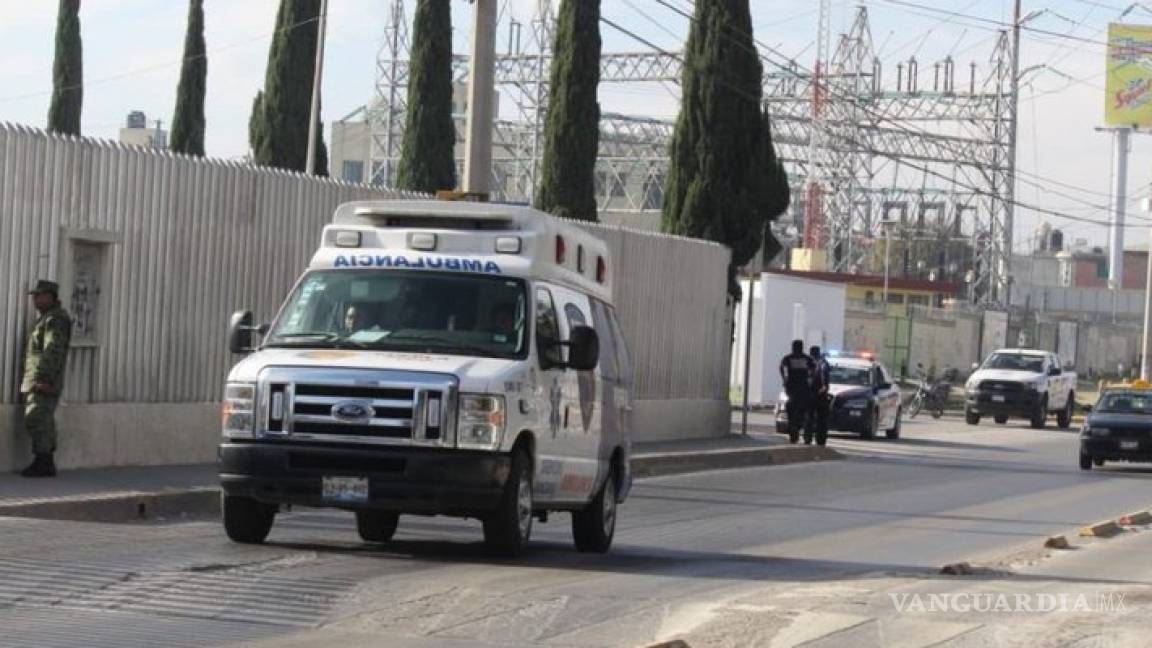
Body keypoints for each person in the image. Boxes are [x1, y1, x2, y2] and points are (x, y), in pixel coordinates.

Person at [20, 280, 73, 478]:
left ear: (50, 296)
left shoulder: (55, 319)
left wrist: (44, 377)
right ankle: (44, 460)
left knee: (38, 417)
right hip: (38, 379)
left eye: (39, 295)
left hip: (44, 380)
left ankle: (44, 462)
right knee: (38, 418)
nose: (35, 299)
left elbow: (53, 349)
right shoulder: (47, 318)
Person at [779, 340, 815, 444]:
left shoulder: (787, 359)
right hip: (804, 390)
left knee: (791, 410)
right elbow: (812, 373)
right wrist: (810, 382)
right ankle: (798, 428)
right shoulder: (808, 359)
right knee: (803, 412)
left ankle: (793, 430)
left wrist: (785, 382)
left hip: (791, 390)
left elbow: (783, 371)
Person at [807, 346, 832, 446]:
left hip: (809, 395)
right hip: (821, 395)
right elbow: (827, 380)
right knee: (822, 419)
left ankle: (807, 438)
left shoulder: (807, 362)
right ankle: (821, 440)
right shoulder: (824, 363)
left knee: (809, 418)